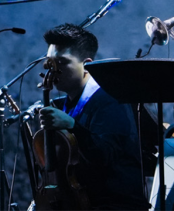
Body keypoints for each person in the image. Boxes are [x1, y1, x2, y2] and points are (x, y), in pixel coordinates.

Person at [36, 23, 156, 211]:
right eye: (49, 63)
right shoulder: (66, 104)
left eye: (62, 62)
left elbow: (104, 156)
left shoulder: (110, 99)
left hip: (115, 205)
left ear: (87, 65)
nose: (53, 70)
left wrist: (72, 125)